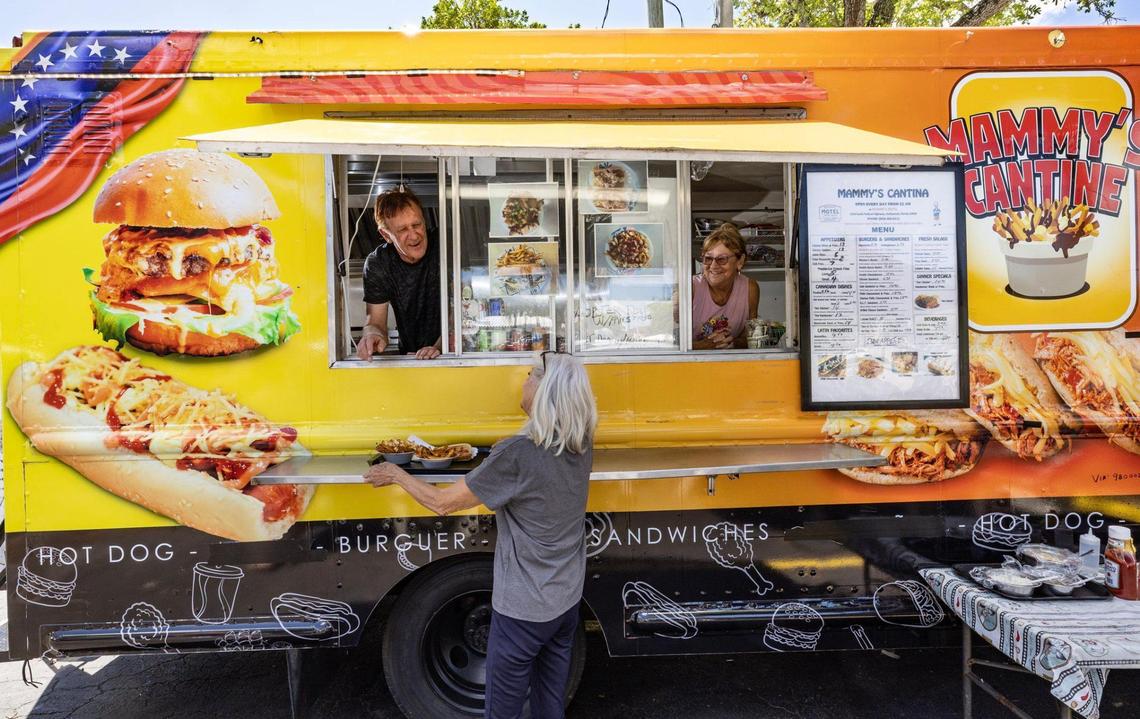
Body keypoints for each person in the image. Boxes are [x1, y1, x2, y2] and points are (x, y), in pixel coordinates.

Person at [364, 351, 597, 719]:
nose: (523, 382)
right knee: (549, 706)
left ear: (542, 390)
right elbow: (532, 459)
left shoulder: (517, 455)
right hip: (565, 601)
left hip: (524, 609)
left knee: (501, 711)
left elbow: (443, 503)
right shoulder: (580, 442)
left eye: (528, 377)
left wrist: (395, 475)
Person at [356, 188, 442, 360]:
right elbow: (375, 322)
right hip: (411, 358)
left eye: (417, 225)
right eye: (402, 230)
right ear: (386, 235)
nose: (414, 235)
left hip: (453, 354)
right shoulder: (379, 263)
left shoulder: (446, 244)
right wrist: (372, 335)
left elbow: (465, 310)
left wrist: (439, 347)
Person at [692, 223, 759, 350]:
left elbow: (750, 338)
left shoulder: (750, 289)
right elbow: (669, 343)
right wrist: (705, 345)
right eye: (708, 259)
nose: (713, 266)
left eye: (721, 259)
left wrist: (733, 342)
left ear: (740, 261)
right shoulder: (691, 288)